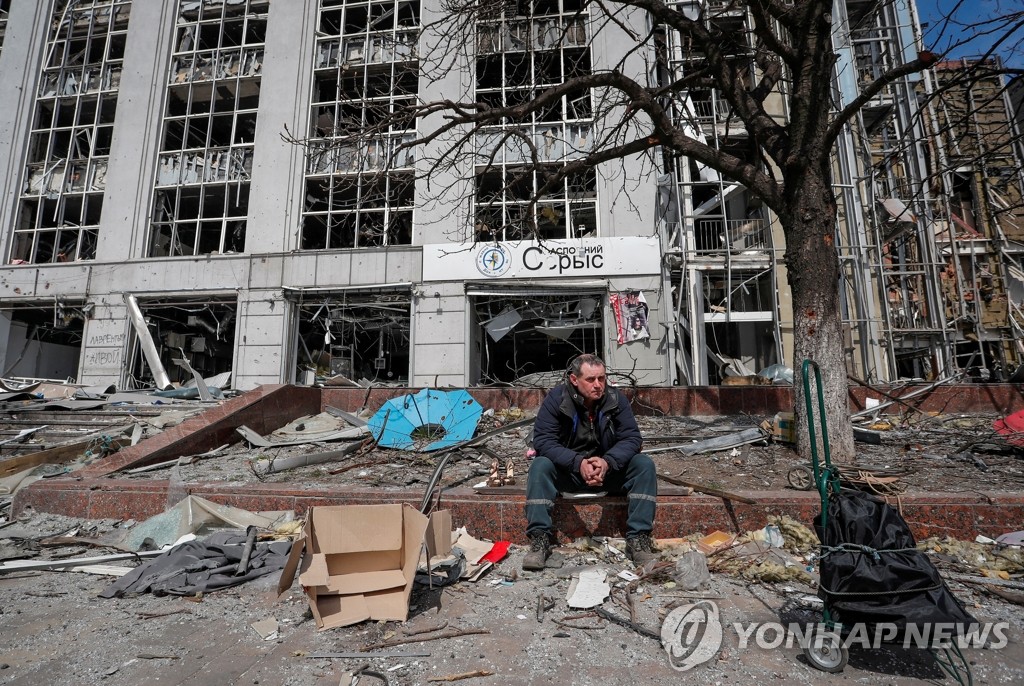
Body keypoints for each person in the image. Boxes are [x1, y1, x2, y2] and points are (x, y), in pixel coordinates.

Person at [523, 354, 658, 570]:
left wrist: (607, 462)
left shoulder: (616, 399)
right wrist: (578, 463)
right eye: (591, 379)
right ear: (574, 380)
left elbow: (632, 438)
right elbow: (544, 441)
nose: (598, 385)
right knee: (540, 466)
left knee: (643, 465)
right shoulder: (556, 400)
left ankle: (638, 540)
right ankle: (540, 541)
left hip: (607, 472)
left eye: (602, 379)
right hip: (569, 472)